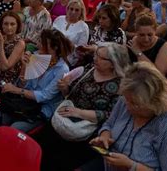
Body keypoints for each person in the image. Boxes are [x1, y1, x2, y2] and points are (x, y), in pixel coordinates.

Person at [90, 61, 167, 171]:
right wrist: (105, 137)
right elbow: (109, 124)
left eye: (135, 104)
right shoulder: (128, 98)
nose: (127, 106)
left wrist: (132, 166)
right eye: (126, 99)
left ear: (155, 101)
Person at [39, 43, 131, 171]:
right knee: (41, 150)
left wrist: (80, 113)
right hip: (63, 119)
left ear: (113, 63)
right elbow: (71, 93)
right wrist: (65, 88)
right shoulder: (90, 69)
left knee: (60, 162)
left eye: (100, 57)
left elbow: (111, 115)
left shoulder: (121, 85)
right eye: (96, 55)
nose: (95, 58)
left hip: (84, 133)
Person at [0, 29, 72, 132]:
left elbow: (45, 96)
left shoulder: (62, 69)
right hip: (25, 101)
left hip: (41, 107)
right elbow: (24, 85)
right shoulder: (36, 57)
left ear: (54, 48)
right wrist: (24, 68)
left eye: (43, 43)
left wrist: (15, 90)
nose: (38, 45)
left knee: (15, 128)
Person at [52, 0, 89, 65]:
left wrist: (69, 45)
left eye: (77, 10)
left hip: (68, 59)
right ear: (67, 9)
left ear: (81, 12)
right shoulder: (59, 19)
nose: (73, 12)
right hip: (52, 53)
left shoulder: (83, 27)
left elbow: (80, 51)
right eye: (71, 9)